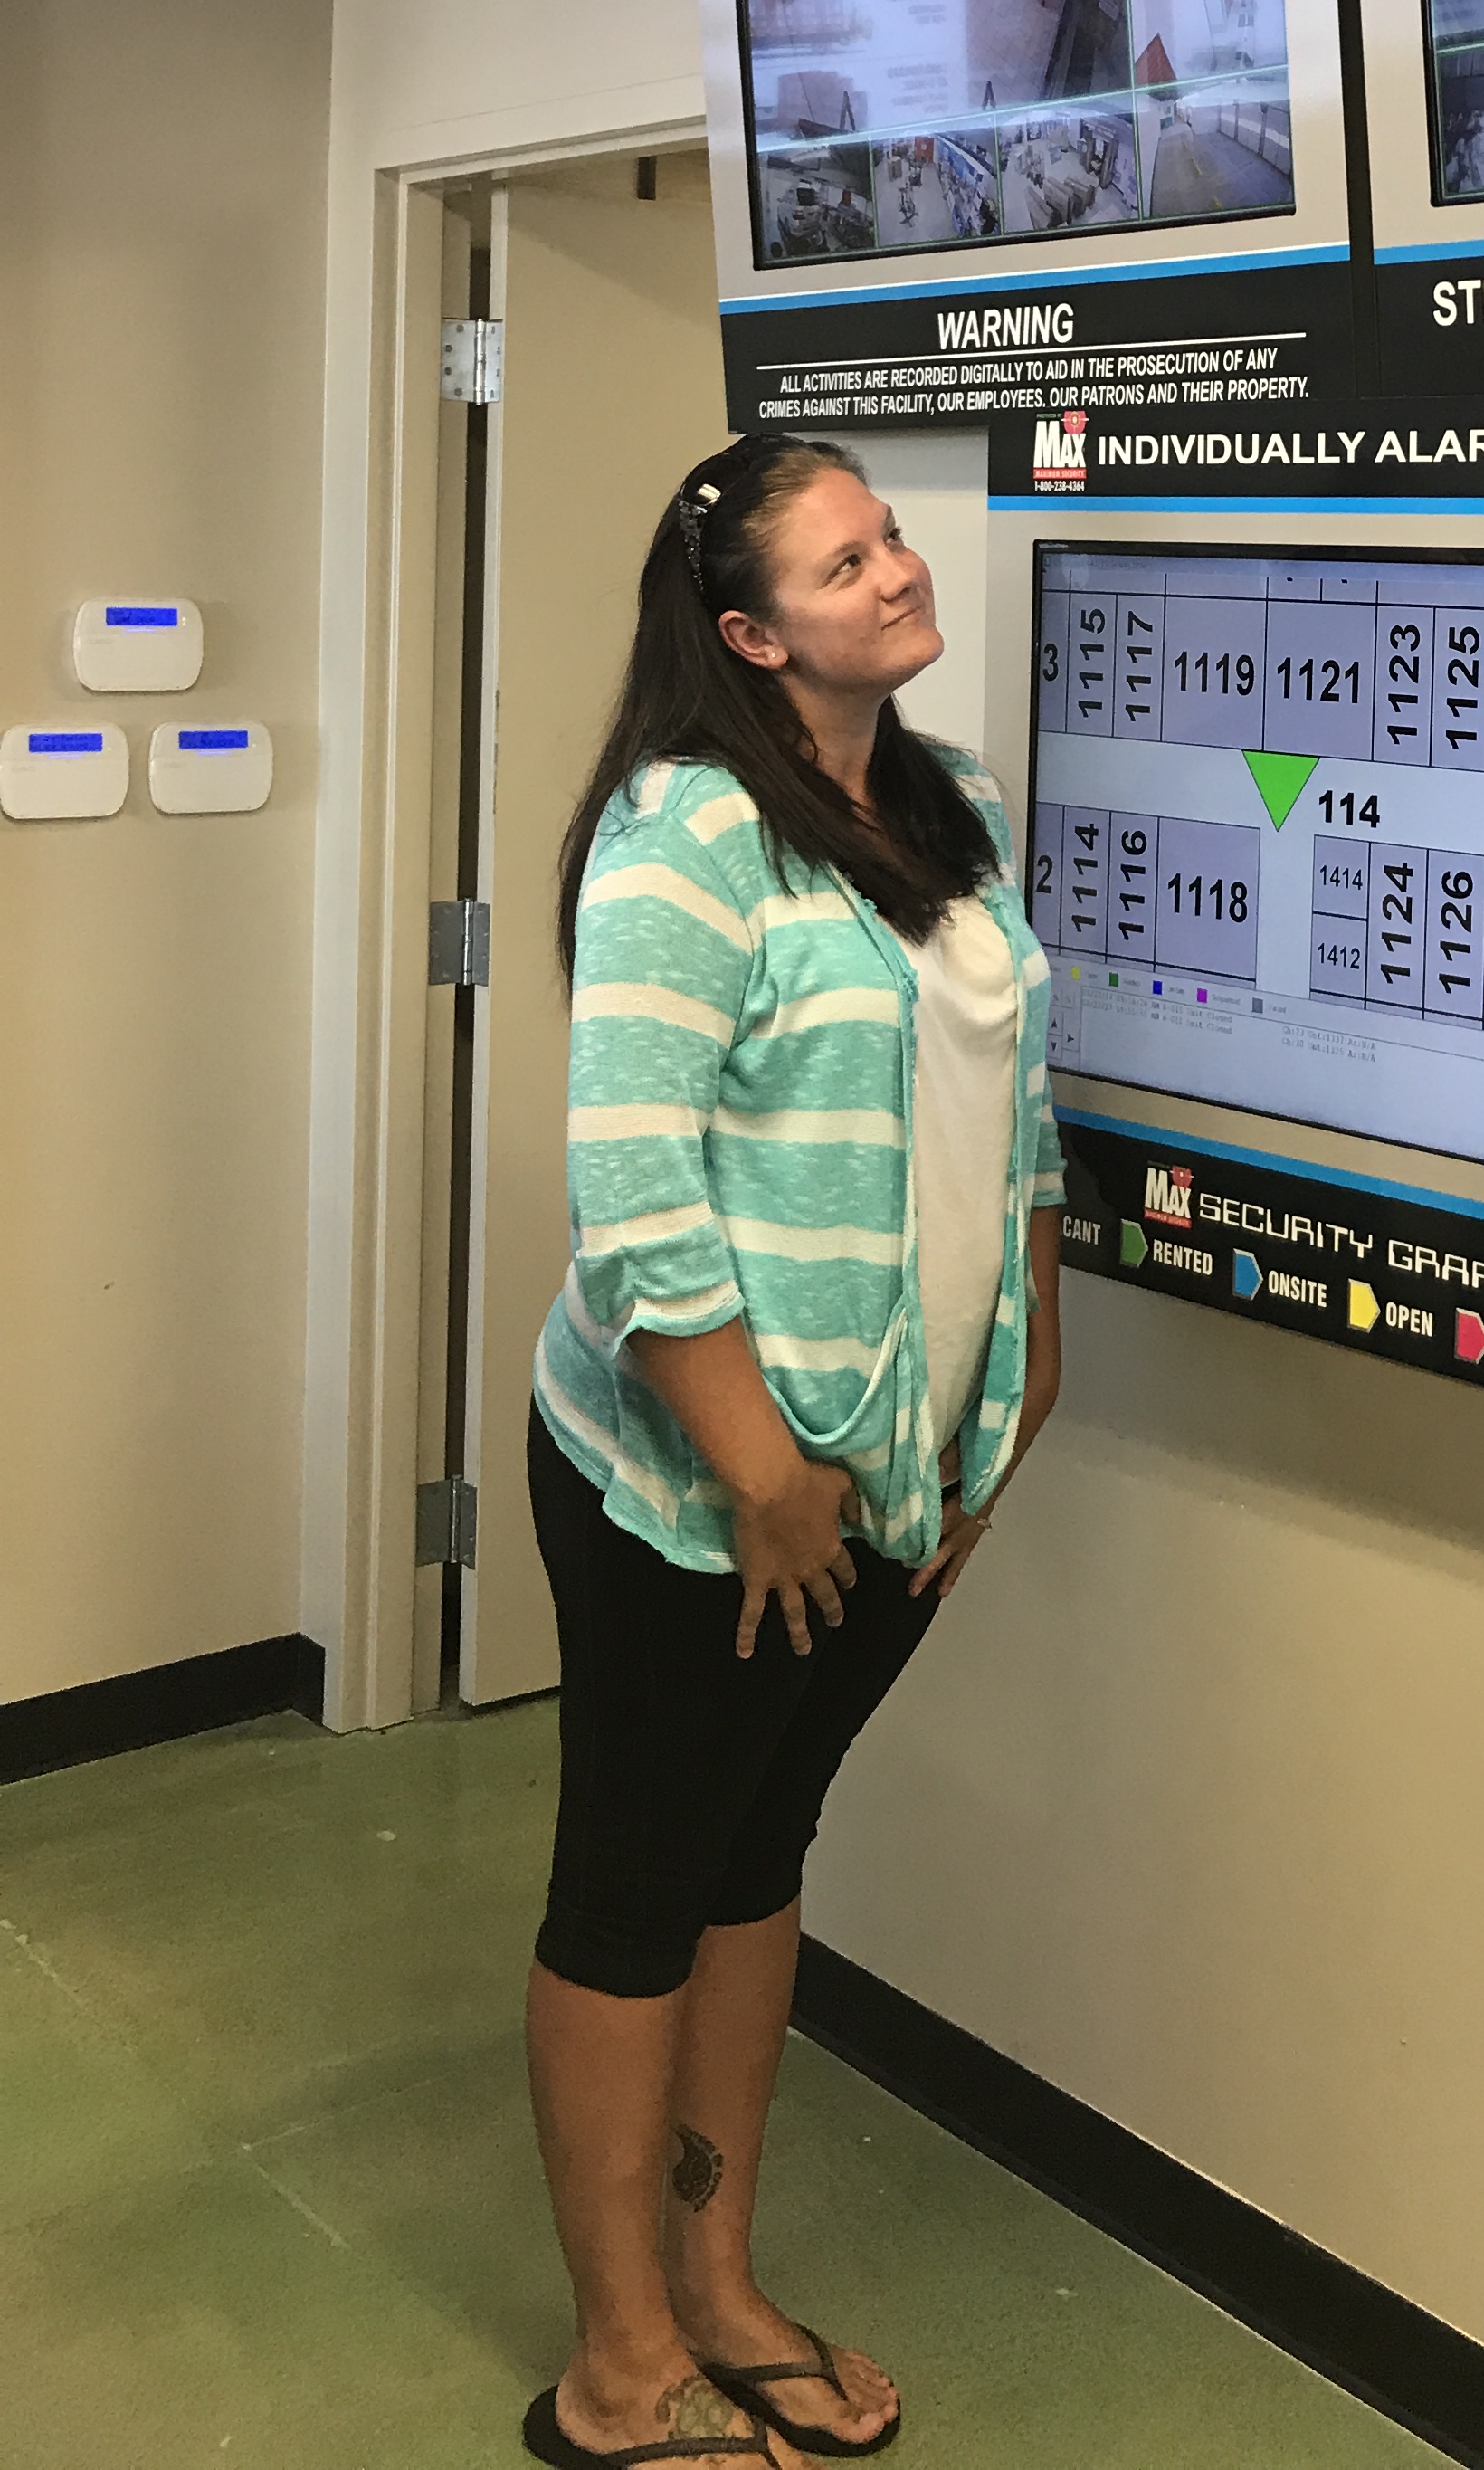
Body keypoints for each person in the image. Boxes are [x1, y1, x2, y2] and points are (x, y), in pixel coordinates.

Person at [521, 433, 1064, 2470]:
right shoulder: (684, 831)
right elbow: (635, 1188)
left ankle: (719, 2285)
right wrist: (761, 1473)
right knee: (637, 1887)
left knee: (757, 1860)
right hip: (698, 1493)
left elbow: (1013, 1103)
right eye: (845, 565)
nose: (898, 572)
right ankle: (617, 2367)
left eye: (891, 538)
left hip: (895, 1483)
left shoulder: (949, 798)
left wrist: (1019, 1378)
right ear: (751, 635)